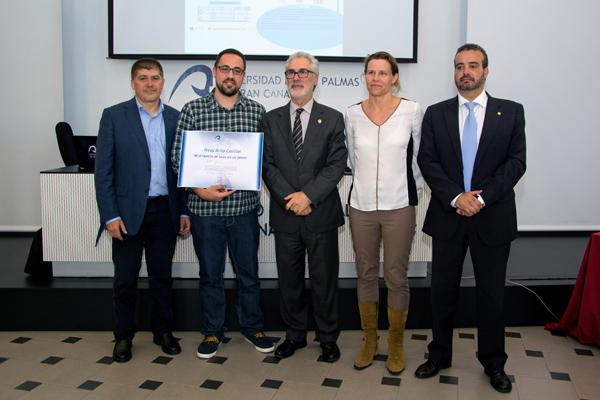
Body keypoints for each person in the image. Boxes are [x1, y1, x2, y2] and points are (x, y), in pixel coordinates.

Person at [415, 43, 526, 393]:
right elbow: (427, 161)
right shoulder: (436, 113)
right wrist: (456, 197)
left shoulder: (510, 112)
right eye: (460, 66)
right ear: (454, 72)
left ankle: (494, 363)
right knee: (441, 291)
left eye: (473, 65)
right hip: (449, 215)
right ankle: (439, 355)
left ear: (486, 71)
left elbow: (516, 162)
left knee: (491, 295)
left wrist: (481, 197)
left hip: (492, 217)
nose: (466, 71)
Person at [171, 48, 274, 359]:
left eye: (237, 70)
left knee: (249, 273)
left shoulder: (257, 112)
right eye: (225, 68)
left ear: (243, 76)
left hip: (243, 211)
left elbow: (265, 160)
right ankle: (213, 332)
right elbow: (178, 157)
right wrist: (200, 190)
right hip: (205, 213)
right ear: (215, 71)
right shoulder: (192, 110)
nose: (231, 75)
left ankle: (253, 327)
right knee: (211, 275)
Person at [95, 58, 190, 362]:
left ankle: (163, 332)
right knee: (125, 278)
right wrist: (110, 215)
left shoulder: (176, 118)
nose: (149, 83)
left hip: (165, 210)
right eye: (143, 78)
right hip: (126, 214)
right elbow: (104, 172)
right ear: (133, 82)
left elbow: (183, 172)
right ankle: (123, 336)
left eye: (155, 77)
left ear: (163, 82)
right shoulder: (113, 117)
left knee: (162, 277)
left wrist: (185, 211)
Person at [262, 52, 348, 362]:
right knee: (290, 280)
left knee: (325, 280)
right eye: (291, 73)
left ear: (315, 78)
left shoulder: (333, 117)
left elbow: (337, 164)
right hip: (286, 216)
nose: (296, 78)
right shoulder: (270, 119)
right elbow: (267, 166)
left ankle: (327, 338)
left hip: (320, 213)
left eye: (303, 72)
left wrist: (307, 197)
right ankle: (295, 335)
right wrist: (292, 199)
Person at [345, 51, 423, 374]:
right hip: (361, 206)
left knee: (395, 276)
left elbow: (418, 160)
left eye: (382, 72)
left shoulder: (412, 111)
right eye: (370, 72)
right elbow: (352, 155)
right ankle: (368, 340)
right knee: (365, 274)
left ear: (394, 77)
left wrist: (407, 194)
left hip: (399, 205)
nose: (375, 78)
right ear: (365, 77)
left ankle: (395, 343)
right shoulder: (351, 114)